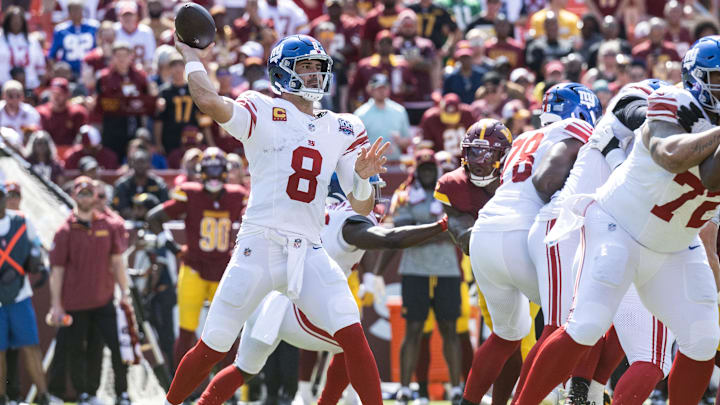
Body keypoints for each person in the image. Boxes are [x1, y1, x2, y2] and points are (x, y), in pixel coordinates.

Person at [166, 33, 388, 405]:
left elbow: (362, 206)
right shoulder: (262, 108)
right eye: (305, 67)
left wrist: (363, 178)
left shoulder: (343, 125)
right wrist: (191, 56)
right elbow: (207, 100)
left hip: (310, 247)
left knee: (352, 333)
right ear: (282, 72)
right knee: (214, 344)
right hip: (261, 243)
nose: (315, 75)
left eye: (319, 68)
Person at [514, 36, 720, 405]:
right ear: (696, 78)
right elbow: (668, 154)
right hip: (618, 225)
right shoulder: (672, 101)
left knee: (703, 339)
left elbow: (712, 177)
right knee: (588, 324)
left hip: (675, 244)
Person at [196, 176, 448, 405]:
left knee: (244, 370)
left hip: (271, 301)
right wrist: (439, 226)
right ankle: (325, 401)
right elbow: (388, 239)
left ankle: (204, 402)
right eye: (370, 190)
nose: (374, 197)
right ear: (350, 191)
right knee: (354, 347)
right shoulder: (347, 223)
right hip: (298, 307)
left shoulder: (319, 211)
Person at [518, 80, 676, 405]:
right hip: (588, 230)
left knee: (590, 325)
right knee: (645, 354)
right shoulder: (635, 107)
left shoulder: (618, 137)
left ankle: (582, 392)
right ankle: (564, 395)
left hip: (589, 232)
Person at [460, 83, 601, 405]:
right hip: (522, 234)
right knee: (571, 321)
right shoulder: (575, 130)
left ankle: (467, 401)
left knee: (506, 333)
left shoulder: (523, 137)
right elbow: (546, 183)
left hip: (485, 232)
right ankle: (553, 397)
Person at [434, 119, 535, 405]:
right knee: (510, 340)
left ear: (504, 156)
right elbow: (464, 237)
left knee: (522, 339)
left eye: (488, 154)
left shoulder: (523, 175)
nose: (478, 162)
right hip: (488, 266)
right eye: (473, 153)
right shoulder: (453, 184)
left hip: (531, 261)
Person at [147, 148, 247, 370]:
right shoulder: (190, 193)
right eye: (208, 171)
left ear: (225, 172)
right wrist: (174, 248)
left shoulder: (236, 195)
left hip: (222, 270)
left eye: (217, 170)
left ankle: (225, 391)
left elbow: (253, 217)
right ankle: (180, 390)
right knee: (186, 331)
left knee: (227, 331)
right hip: (193, 268)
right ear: (201, 172)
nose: (213, 176)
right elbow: (153, 218)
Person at [48, 177, 132, 405]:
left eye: (89, 193)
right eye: (81, 193)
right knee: (76, 350)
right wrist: (56, 304)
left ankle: (121, 393)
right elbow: (57, 271)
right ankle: (84, 393)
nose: (85, 197)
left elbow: (117, 262)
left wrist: (125, 292)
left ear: (96, 196)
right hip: (75, 302)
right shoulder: (64, 230)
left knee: (115, 347)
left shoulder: (109, 225)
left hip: (104, 299)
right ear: (74, 196)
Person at [391, 149, 463, 403]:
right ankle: (405, 387)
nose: (428, 174)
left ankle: (456, 387)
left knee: (449, 329)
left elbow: (458, 228)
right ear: (416, 172)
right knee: (413, 329)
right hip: (415, 269)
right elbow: (401, 231)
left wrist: (421, 233)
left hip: (446, 270)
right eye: (424, 170)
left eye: (431, 169)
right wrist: (439, 230)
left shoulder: (450, 195)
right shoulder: (404, 196)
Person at [0, 181, 59, 405]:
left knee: (31, 346)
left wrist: (39, 264)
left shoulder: (23, 221)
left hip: (20, 295)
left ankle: (43, 395)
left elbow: (37, 247)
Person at [354, 73, 411, 161]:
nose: (381, 91)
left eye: (384, 87)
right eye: (378, 88)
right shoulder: (360, 114)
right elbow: (354, 145)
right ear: (371, 90)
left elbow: (408, 141)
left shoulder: (399, 111)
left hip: (394, 163)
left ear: (389, 89)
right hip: (369, 166)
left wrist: (399, 141)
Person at [155, 53, 202, 156]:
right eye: (174, 65)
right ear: (170, 69)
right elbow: (159, 120)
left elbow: (201, 117)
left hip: (191, 136)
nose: (178, 69)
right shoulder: (164, 91)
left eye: (181, 65)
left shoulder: (193, 88)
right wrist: (158, 143)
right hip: (171, 137)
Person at [112, 149, 169, 219]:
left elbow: (165, 206)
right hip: (128, 223)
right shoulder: (122, 185)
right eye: (137, 162)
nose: (140, 165)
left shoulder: (159, 184)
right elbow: (120, 208)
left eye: (142, 162)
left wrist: (148, 214)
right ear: (131, 163)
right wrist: (136, 215)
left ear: (149, 163)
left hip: (154, 221)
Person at [48, 0, 98, 77]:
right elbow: (52, 55)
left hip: (90, 71)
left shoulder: (94, 27)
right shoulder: (61, 30)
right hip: (69, 73)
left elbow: (99, 49)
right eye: (73, 10)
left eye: (78, 9)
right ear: (68, 12)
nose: (76, 13)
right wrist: (57, 71)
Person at [0, 6, 46, 90]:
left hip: (30, 86)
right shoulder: (1, 39)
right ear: (7, 21)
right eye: (13, 19)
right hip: (3, 86)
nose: (16, 22)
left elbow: (40, 67)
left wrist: (38, 84)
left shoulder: (32, 41)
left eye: (18, 19)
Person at [36, 78, 89, 147]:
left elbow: (83, 140)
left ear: (68, 94)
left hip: (71, 153)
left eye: (60, 93)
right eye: (53, 93)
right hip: (47, 154)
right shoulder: (40, 112)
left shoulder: (78, 112)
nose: (56, 97)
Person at [113, 1, 156, 68]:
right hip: (118, 71)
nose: (128, 18)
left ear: (136, 16)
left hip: (142, 71)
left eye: (130, 15)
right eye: (125, 15)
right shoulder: (114, 30)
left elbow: (150, 59)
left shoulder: (146, 32)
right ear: (119, 17)